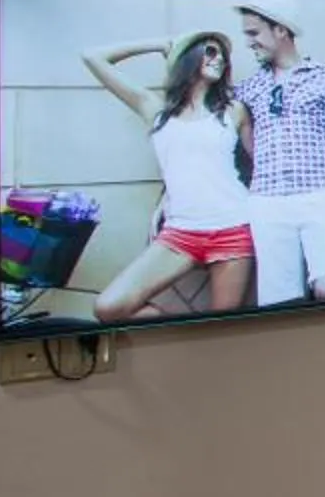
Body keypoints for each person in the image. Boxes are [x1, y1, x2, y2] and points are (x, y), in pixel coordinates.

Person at [80, 31, 255, 321]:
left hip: (234, 228)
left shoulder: (234, 111)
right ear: (189, 58)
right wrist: (158, 44)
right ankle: (183, 333)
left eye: (223, 55)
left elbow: (262, 164)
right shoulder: (156, 110)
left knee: (223, 328)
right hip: (180, 234)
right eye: (211, 51)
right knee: (109, 308)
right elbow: (92, 57)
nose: (220, 59)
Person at [233, 0, 325, 306]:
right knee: (280, 301)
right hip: (268, 200)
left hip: (321, 195)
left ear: (281, 29)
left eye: (254, 33)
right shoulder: (249, 87)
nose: (248, 42)